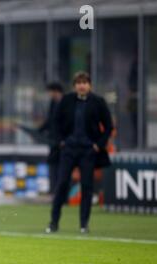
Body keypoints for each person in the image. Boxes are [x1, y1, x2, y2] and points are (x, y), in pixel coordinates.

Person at [46, 71, 113, 234]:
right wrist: (60, 141)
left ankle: (84, 224)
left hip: (88, 151)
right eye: (79, 82)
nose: (82, 85)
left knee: (87, 187)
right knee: (61, 184)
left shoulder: (98, 102)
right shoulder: (66, 100)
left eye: (85, 82)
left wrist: (99, 145)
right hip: (68, 149)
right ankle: (53, 222)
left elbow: (109, 126)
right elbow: (54, 122)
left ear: (89, 85)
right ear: (74, 85)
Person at [38, 82, 64, 194]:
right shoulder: (53, 103)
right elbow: (50, 120)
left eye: (50, 92)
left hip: (64, 143)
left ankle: (61, 193)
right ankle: (54, 191)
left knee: (62, 168)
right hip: (53, 142)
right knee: (53, 166)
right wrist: (39, 130)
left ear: (56, 91)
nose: (49, 94)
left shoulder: (66, 103)